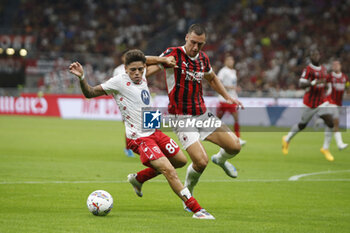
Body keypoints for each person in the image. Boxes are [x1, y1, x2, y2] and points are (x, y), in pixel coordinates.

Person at [69, 49, 215, 219]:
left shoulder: (143, 75)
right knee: (169, 170)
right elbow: (90, 93)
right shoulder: (118, 82)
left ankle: (138, 179)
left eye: (140, 69)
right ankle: (197, 209)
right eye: (133, 70)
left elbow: (150, 62)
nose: (137, 73)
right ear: (125, 69)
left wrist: (165, 61)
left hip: (154, 130)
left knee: (180, 161)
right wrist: (81, 78)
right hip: (139, 138)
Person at [145, 24, 244, 209]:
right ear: (186, 38)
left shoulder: (203, 59)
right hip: (181, 117)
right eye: (193, 42)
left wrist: (228, 97)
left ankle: (220, 159)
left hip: (202, 114)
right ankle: (188, 192)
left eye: (201, 44)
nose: (196, 48)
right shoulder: (173, 54)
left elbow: (212, 78)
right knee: (201, 161)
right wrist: (141, 76)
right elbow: (149, 71)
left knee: (235, 146)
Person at [282, 49, 335, 161]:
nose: (316, 56)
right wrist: (312, 83)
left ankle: (325, 148)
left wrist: (327, 89)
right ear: (310, 57)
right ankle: (287, 139)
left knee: (330, 122)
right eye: (313, 55)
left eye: (317, 54)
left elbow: (325, 84)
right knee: (302, 125)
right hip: (309, 103)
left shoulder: (324, 70)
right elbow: (301, 84)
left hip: (321, 102)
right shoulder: (308, 69)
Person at [216, 55, 246, 146]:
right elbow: (218, 83)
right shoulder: (223, 71)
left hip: (232, 99)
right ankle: (209, 134)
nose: (231, 62)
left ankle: (238, 138)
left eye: (232, 60)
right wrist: (231, 87)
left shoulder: (233, 71)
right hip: (223, 99)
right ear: (225, 62)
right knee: (217, 120)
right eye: (229, 60)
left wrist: (235, 89)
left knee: (236, 118)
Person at [113, 50, 135, 158]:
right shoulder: (118, 70)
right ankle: (128, 148)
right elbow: (114, 86)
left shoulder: (137, 68)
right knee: (129, 126)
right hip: (125, 102)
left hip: (137, 101)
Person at [323, 60, 349, 150]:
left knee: (332, 125)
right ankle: (340, 144)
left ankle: (325, 147)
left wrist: (348, 89)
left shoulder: (345, 78)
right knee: (336, 122)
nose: (335, 66)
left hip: (338, 104)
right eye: (333, 65)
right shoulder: (329, 77)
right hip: (330, 102)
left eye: (337, 64)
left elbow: (348, 89)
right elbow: (323, 86)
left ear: (340, 66)